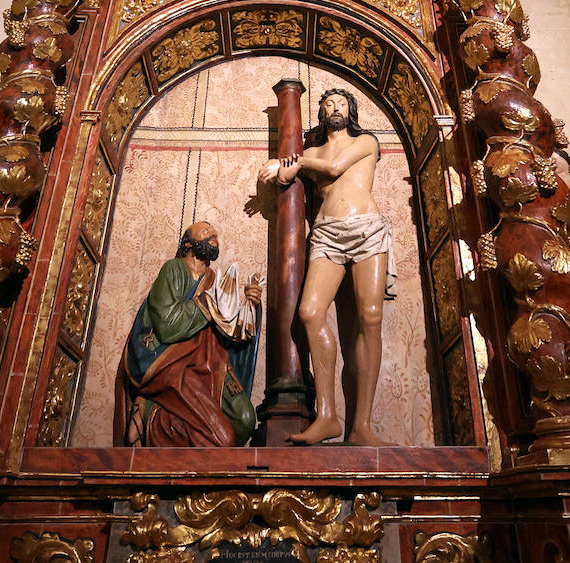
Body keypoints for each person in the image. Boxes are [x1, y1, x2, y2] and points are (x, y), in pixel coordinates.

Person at [259, 89, 394, 445]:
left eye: (341, 103)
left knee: (370, 317)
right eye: (328, 104)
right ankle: (328, 416)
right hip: (327, 233)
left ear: (351, 110)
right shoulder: (312, 152)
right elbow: (287, 179)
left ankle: (361, 426)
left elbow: (334, 168)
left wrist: (292, 163)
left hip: (366, 227)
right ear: (321, 113)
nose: (335, 108)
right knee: (309, 312)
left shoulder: (365, 142)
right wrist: (281, 172)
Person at [114, 222, 264, 447]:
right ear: (188, 243)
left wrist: (250, 308)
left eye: (214, 233)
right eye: (205, 232)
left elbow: (228, 329)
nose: (213, 234)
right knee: (223, 439)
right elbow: (168, 325)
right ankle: (149, 413)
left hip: (211, 360)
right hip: (173, 361)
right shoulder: (174, 269)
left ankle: (154, 409)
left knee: (244, 420)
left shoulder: (215, 280)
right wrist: (209, 303)